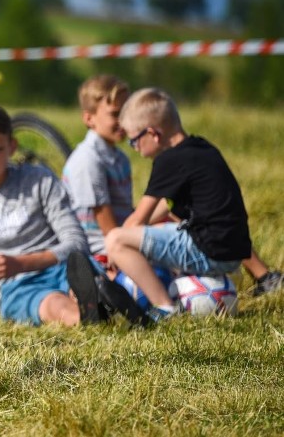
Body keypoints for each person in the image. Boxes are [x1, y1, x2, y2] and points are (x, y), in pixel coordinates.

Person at [0, 102, 112, 326]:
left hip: (64, 267)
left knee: (85, 277)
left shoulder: (39, 179)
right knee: (51, 304)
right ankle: (89, 315)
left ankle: (98, 299)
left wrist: (19, 263)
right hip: (15, 286)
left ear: (12, 147)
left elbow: (77, 243)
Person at [104, 87, 254, 321]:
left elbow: (137, 220)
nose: (135, 149)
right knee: (147, 234)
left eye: (134, 141)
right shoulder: (202, 148)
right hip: (232, 252)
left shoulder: (168, 160)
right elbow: (164, 207)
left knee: (115, 239)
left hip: (210, 253)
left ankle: (164, 308)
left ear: (152, 133)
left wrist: (113, 253)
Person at [62, 74, 134, 269]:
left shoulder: (120, 158)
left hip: (120, 238)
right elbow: (108, 229)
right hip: (100, 253)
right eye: (115, 114)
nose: (123, 121)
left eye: (126, 114)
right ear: (89, 118)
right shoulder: (87, 160)